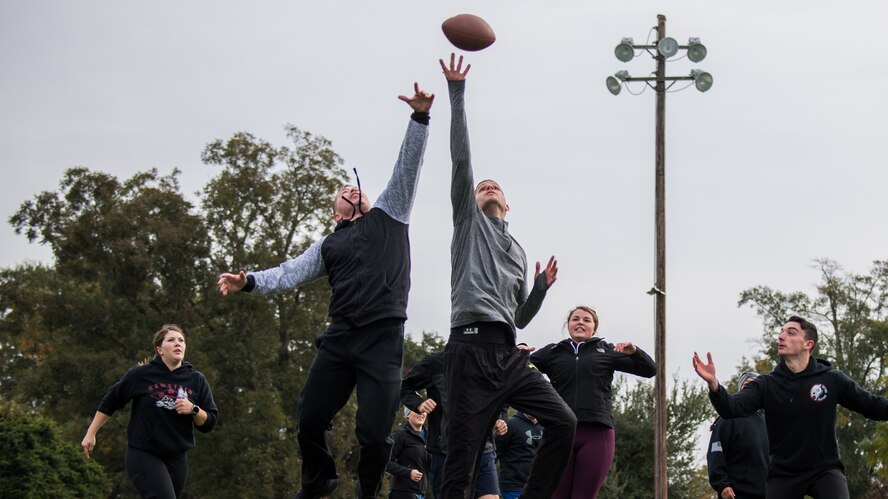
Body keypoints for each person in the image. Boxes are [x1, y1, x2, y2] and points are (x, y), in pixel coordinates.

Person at [217, 83, 434, 499]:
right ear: (334, 211)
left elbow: (407, 167)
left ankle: (367, 492)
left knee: (372, 433)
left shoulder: (391, 214)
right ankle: (319, 479)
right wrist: (248, 282)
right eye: (343, 192)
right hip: (340, 338)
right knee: (309, 417)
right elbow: (289, 273)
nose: (352, 190)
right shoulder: (327, 245)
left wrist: (419, 118)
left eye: (357, 189)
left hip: (381, 339)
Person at [439, 52, 576, 499]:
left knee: (564, 421)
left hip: (509, 354)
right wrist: (456, 93)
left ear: (508, 204)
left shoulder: (517, 249)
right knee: (462, 459)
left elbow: (521, 317)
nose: (487, 187)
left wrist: (539, 290)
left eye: (495, 186)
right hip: (469, 349)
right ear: (471, 200)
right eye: (482, 187)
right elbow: (462, 161)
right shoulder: (468, 223)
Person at [693, 315, 888, 499]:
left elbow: (871, 405)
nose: (781, 336)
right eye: (781, 331)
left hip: (824, 469)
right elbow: (732, 408)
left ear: (808, 344)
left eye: (791, 332)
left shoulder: (831, 379)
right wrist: (714, 385)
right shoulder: (766, 385)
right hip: (783, 474)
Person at [529, 306, 656, 498]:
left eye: (587, 320)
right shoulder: (553, 351)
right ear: (568, 325)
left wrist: (635, 351)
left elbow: (649, 370)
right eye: (576, 319)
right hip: (560, 433)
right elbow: (519, 366)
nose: (580, 322)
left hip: (597, 433)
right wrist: (520, 350)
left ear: (594, 328)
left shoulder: (607, 350)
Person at [81, 324, 218, 499]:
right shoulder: (140, 375)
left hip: (177, 458)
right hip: (144, 453)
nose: (178, 343)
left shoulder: (196, 379)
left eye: (181, 340)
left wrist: (194, 409)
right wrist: (91, 433)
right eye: (171, 340)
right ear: (159, 350)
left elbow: (210, 422)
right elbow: (111, 401)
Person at [400, 352, 506, 499]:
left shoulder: (490, 361)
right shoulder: (436, 362)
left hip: (482, 448)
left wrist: (500, 418)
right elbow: (404, 386)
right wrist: (418, 403)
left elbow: (501, 395)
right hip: (446, 450)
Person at [706, 371, 768, 499]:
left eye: (754, 386)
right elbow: (716, 454)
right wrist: (722, 485)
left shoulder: (771, 420)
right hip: (736, 494)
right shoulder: (727, 418)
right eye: (746, 386)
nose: (750, 391)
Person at [495, 411, 542, 499]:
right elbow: (495, 453)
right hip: (513, 487)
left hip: (536, 487)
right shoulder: (510, 425)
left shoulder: (545, 426)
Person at [387, 408, 431, 499]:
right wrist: (408, 472)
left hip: (421, 493)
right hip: (402, 492)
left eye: (423, 411)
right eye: (417, 410)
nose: (421, 413)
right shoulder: (399, 435)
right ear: (407, 415)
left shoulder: (429, 438)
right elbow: (386, 462)